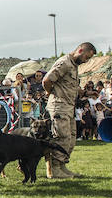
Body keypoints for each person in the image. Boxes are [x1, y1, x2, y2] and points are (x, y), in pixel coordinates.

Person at [41, 42, 96, 178]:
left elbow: (69, 85)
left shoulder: (73, 65)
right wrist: (50, 93)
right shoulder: (64, 63)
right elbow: (47, 80)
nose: (86, 61)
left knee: (71, 138)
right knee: (62, 137)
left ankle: (62, 166)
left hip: (69, 107)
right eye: (86, 57)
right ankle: (55, 168)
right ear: (80, 50)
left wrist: (86, 93)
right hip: (59, 105)